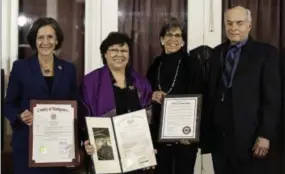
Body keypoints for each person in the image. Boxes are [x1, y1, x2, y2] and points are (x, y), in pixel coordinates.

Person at [203, 6, 281, 174]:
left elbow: (272, 99)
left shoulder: (266, 53)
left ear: (249, 26)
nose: (234, 28)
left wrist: (265, 135)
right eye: (229, 23)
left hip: (251, 140)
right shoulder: (217, 53)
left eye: (239, 23)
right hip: (220, 140)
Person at [3, 17, 80, 174]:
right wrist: (20, 115)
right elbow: (8, 104)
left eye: (50, 37)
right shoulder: (21, 67)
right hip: (27, 147)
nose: (45, 42)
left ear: (57, 40)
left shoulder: (69, 69)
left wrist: (76, 145)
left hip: (60, 148)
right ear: (34, 40)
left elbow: (75, 106)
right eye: (40, 37)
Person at [82, 32, 154, 174]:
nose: (119, 54)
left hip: (135, 156)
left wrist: (149, 147)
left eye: (124, 51)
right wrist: (86, 141)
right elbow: (84, 116)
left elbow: (149, 116)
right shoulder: (91, 81)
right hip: (106, 153)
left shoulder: (141, 82)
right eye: (114, 50)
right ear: (105, 54)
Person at [146, 17, 203, 174]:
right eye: (169, 35)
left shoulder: (192, 64)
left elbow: (198, 98)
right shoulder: (155, 64)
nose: (173, 39)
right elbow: (146, 94)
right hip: (160, 134)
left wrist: (191, 133)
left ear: (183, 41)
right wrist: (152, 95)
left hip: (185, 134)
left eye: (178, 35)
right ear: (162, 39)